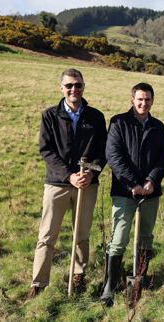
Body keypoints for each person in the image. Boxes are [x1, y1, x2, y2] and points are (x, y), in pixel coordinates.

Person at [30, 68, 107, 297]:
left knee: (81, 234)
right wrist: (68, 175)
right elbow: (46, 150)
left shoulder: (95, 117)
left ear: (84, 86)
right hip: (57, 184)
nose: (74, 89)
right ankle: (39, 284)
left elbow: (103, 152)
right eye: (69, 85)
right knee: (47, 236)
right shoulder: (50, 116)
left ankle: (79, 276)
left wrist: (91, 173)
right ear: (61, 88)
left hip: (87, 184)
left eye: (78, 85)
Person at [100, 82, 164, 306]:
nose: (143, 103)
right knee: (119, 238)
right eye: (139, 99)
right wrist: (131, 183)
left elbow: (162, 158)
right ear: (132, 99)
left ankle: (138, 279)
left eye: (147, 99)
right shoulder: (119, 122)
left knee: (146, 237)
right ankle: (110, 285)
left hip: (150, 193)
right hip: (124, 192)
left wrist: (151, 181)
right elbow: (113, 155)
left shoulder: (158, 126)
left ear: (152, 101)